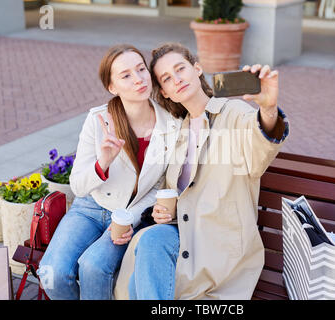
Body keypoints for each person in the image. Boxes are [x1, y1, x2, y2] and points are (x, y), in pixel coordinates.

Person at [114, 43, 289, 300]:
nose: (177, 79)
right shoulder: (180, 131)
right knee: (149, 241)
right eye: (167, 78)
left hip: (219, 245)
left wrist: (268, 108)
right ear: (166, 92)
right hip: (184, 235)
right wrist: (164, 211)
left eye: (180, 69)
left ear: (197, 69)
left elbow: (260, 145)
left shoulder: (232, 113)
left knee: (144, 274)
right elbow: (181, 192)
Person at [37, 44, 181, 300]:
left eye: (141, 69)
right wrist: (102, 161)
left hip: (130, 213)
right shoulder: (99, 120)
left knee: (94, 266)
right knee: (51, 271)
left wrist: (132, 218)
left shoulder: (171, 125)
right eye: (126, 75)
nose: (138, 79)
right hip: (90, 208)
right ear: (112, 87)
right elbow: (79, 187)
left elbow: (161, 186)